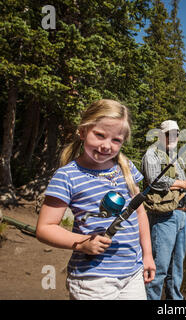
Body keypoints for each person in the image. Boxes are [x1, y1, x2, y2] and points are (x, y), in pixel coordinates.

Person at [36, 99, 156, 300]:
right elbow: (45, 228)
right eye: (99, 135)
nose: (106, 146)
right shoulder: (67, 176)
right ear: (83, 131)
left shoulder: (127, 167)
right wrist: (82, 243)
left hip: (133, 273)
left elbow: (140, 213)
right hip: (93, 280)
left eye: (116, 140)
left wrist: (148, 255)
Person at [141, 120, 186, 300]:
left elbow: (180, 185)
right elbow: (154, 180)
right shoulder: (152, 154)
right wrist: (183, 183)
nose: (172, 137)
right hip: (163, 218)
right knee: (158, 268)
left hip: (181, 215)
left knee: (176, 269)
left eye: (175, 134)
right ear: (161, 135)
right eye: (168, 134)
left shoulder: (177, 158)